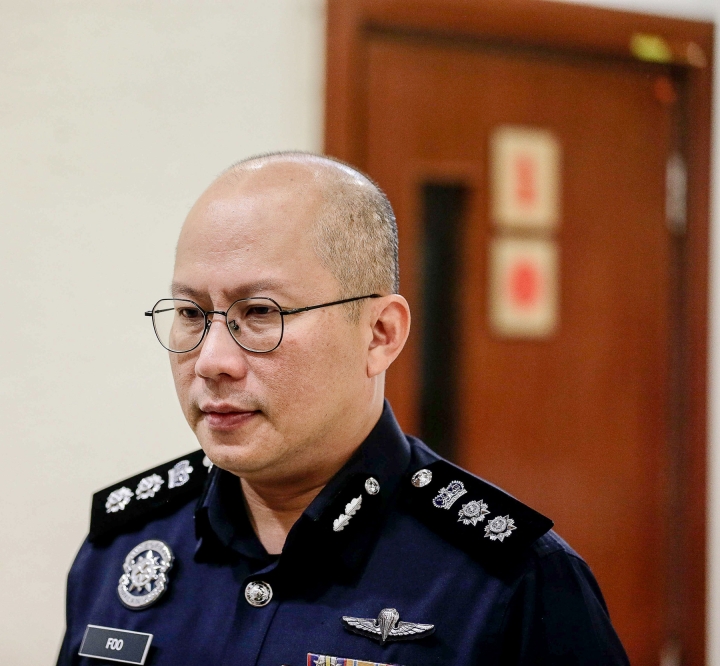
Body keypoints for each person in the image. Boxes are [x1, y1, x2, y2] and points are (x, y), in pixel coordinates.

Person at [56, 152, 628, 666]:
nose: (211, 361)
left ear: (379, 334)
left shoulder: (510, 582)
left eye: (260, 313)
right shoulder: (124, 546)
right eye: (189, 312)